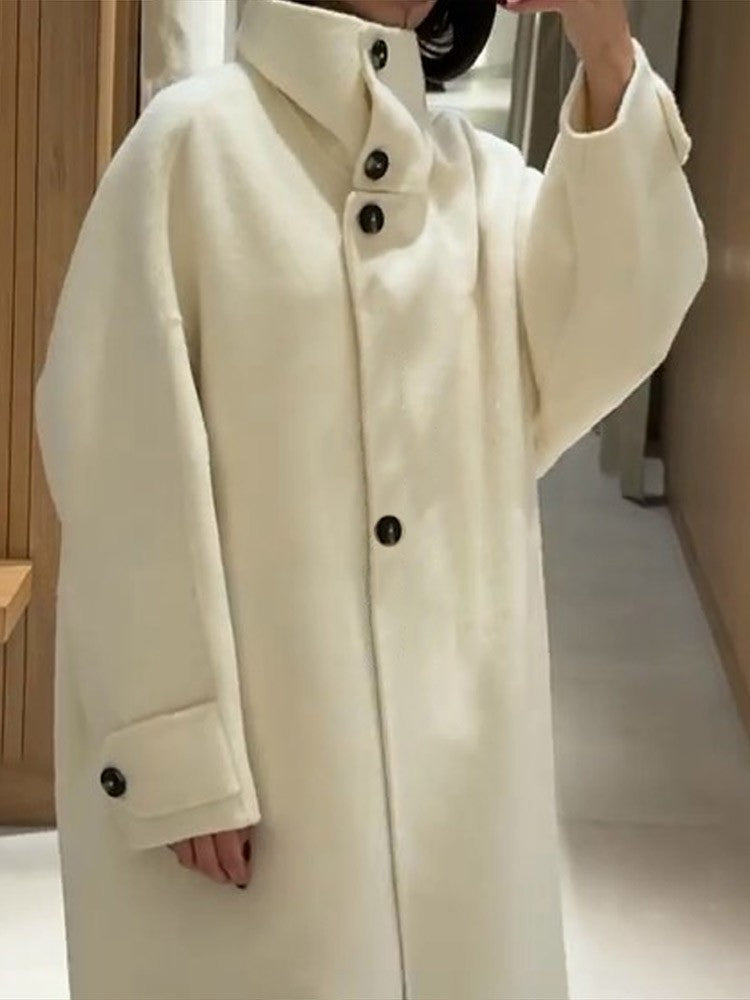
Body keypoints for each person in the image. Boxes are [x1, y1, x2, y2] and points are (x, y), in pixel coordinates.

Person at [33, 0, 707, 997]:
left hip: (461, 774)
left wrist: (606, 50)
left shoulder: (482, 191)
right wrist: (175, 749)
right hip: (269, 777)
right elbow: (118, 458)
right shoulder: (191, 152)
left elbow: (621, 312)